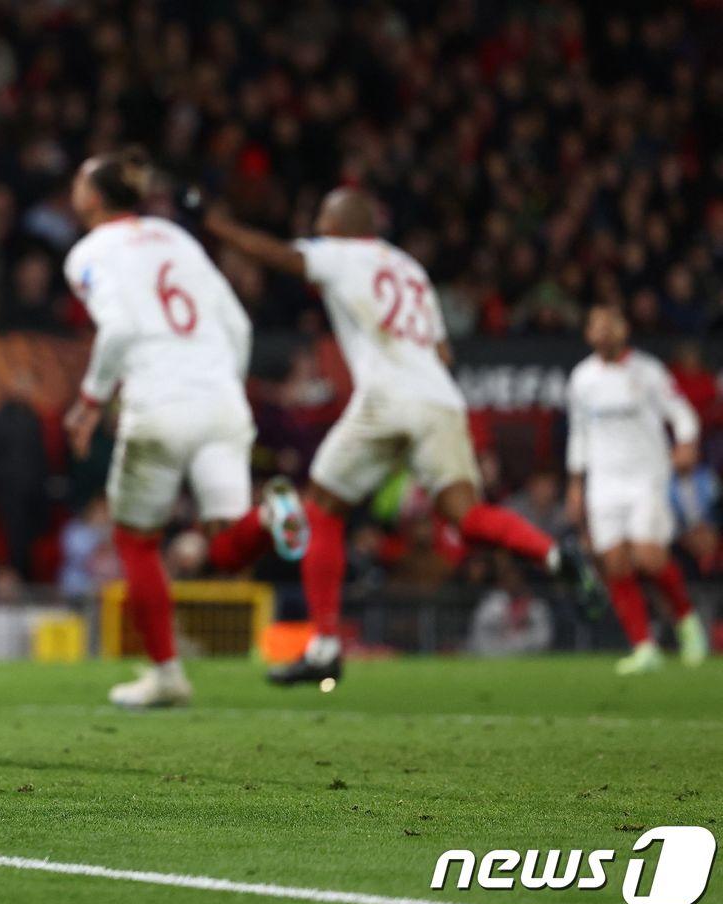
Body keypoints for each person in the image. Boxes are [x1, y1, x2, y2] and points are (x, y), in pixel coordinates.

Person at [206, 188, 605, 686]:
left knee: (322, 508)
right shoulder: (410, 269)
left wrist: (219, 227)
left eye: (322, 221)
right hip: (441, 399)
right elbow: (443, 353)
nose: (318, 230)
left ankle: (325, 646)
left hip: (387, 396)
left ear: (338, 225)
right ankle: (553, 553)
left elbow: (281, 256)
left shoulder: (340, 253)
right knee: (467, 515)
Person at [62, 149, 308, 708]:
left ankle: (167, 673)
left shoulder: (89, 252)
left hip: (159, 403)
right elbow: (238, 325)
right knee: (227, 543)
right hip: (221, 400)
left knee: (136, 539)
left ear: (93, 198)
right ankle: (272, 516)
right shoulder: (177, 238)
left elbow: (119, 330)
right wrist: (222, 385)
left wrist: (90, 403)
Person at [565, 304, 708, 673]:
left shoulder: (647, 371)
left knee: (648, 556)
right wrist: (576, 484)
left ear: (623, 329)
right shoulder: (582, 378)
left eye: (609, 325)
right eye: (596, 326)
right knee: (614, 563)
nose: (603, 332)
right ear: (588, 334)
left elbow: (681, 412)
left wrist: (686, 442)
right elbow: (579, 433)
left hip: (647, 476)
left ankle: (687, 621)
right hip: (603, 482)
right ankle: (644, 646)